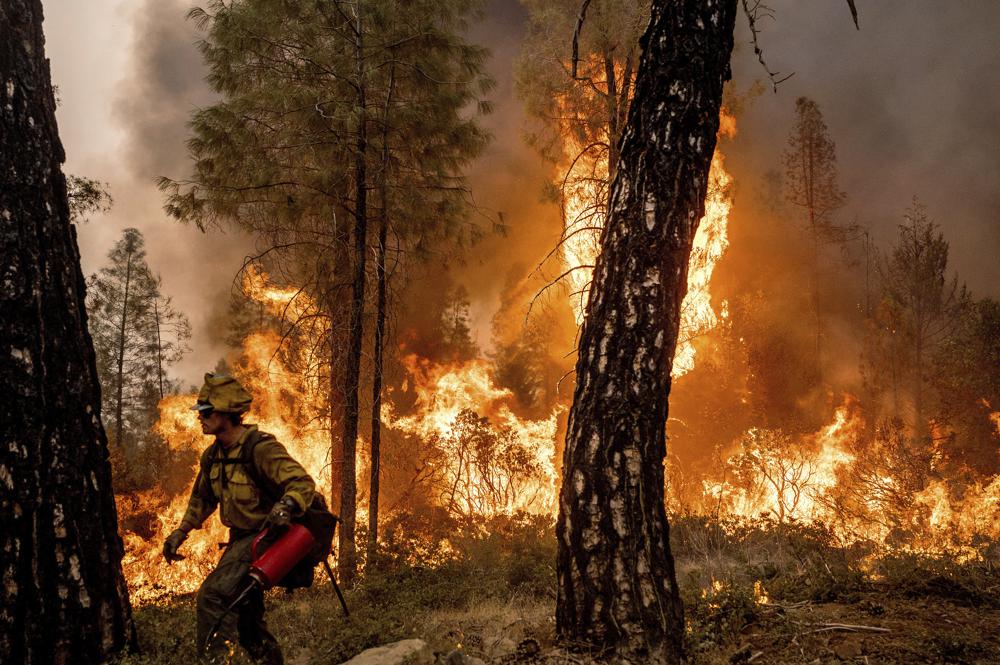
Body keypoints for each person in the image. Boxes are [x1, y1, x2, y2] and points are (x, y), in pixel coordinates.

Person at [162, 373, 315, 665]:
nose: (201, 418)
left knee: (213, 597)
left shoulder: (260, 448)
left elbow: (302, 483)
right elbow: (202, 500)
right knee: (247, 620)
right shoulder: (212, 457)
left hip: (266, 538)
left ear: (227, 413)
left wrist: (285, 507)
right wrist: (179, 533)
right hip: (239, 542)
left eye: (207, 412)